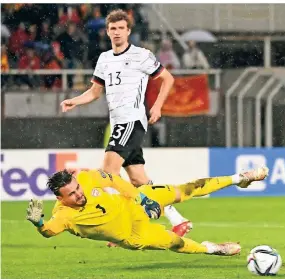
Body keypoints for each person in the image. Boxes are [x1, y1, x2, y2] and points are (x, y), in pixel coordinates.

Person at [59, 9, 193, 241]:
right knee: (139, 180)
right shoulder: (104, 59)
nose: (117, 32)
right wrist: (75, 101)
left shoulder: (142, 55)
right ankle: (177, 219)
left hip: (131, 121)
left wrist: (158, 106)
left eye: (121, 28)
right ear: (107, 32)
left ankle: (118, 224)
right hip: (118, 123)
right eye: (113, 29)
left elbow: (167, 78)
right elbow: (94, 92)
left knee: (108, 174)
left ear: (128, 31)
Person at [26, 166, 269, 255]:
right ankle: (213, 248)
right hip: (131, 235)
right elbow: (48, 231)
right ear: (60, 198)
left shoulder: (87, 179)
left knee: (184, 190)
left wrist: (141, 197)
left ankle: (240, 178)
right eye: (72, 194)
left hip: (133, 204)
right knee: (175, 242)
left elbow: (114, 180)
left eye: (77, 188)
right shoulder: (63, 216)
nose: (79, 193)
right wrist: (38, 223)